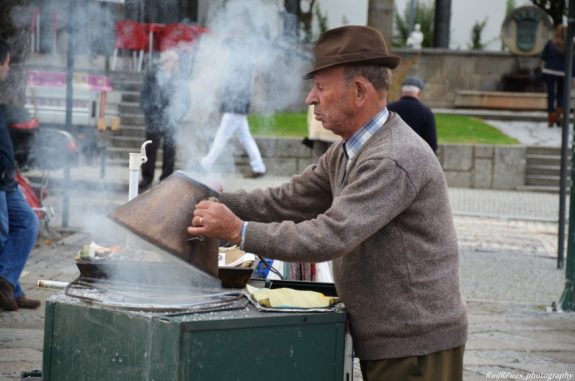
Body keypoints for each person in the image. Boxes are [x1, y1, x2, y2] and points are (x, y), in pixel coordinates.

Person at [188, 26, 467, 380]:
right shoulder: (347, 150)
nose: (310, 98)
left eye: (321, 87)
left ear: (359, 91)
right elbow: (287, 201)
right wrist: (209, 198)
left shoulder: (392, 158)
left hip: (415, 342)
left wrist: (237, 230)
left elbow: (329, 235)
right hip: (393, 335)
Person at [0, 40, 41, 311]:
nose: (8, 68)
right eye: (6, 63)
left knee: (28, 224)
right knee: (1, 234)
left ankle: (8, 284)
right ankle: (6, 287)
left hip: (7, 179)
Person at [200, 40, 266, 179]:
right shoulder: (242, 65)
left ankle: (206, 163)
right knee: (245, 138)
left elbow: (233, 89)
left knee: (221, 137)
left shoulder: (238, 66)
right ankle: (259, 166)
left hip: (234, 108)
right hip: (237, 108)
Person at [139, 50, 189, 192]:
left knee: (170, 151)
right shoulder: (152, 76)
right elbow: (144, 95)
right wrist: (148, 113)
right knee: (150, 150)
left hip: (171, 120)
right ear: (166, 62)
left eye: (176, 61)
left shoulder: (180, 78)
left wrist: (178, 116)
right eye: (173, 61)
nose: (176, 64)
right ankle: (147, 178)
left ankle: (166, 179)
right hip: (153, 118)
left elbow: (185, 99)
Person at [388, 76, 437, 153]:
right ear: (419, 93)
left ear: (402, 91)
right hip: (417, 159)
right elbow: (432, 144)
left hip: (391, 156)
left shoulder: (389, 109)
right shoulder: (426, 112)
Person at [539, 24, 568, 128]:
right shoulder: (569, 45)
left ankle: (550, 118)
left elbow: (544, 57)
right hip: (564, 73)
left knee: (550, 95)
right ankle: (558, 114)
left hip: (549, 71)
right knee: (561, 94)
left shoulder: (550, 43)